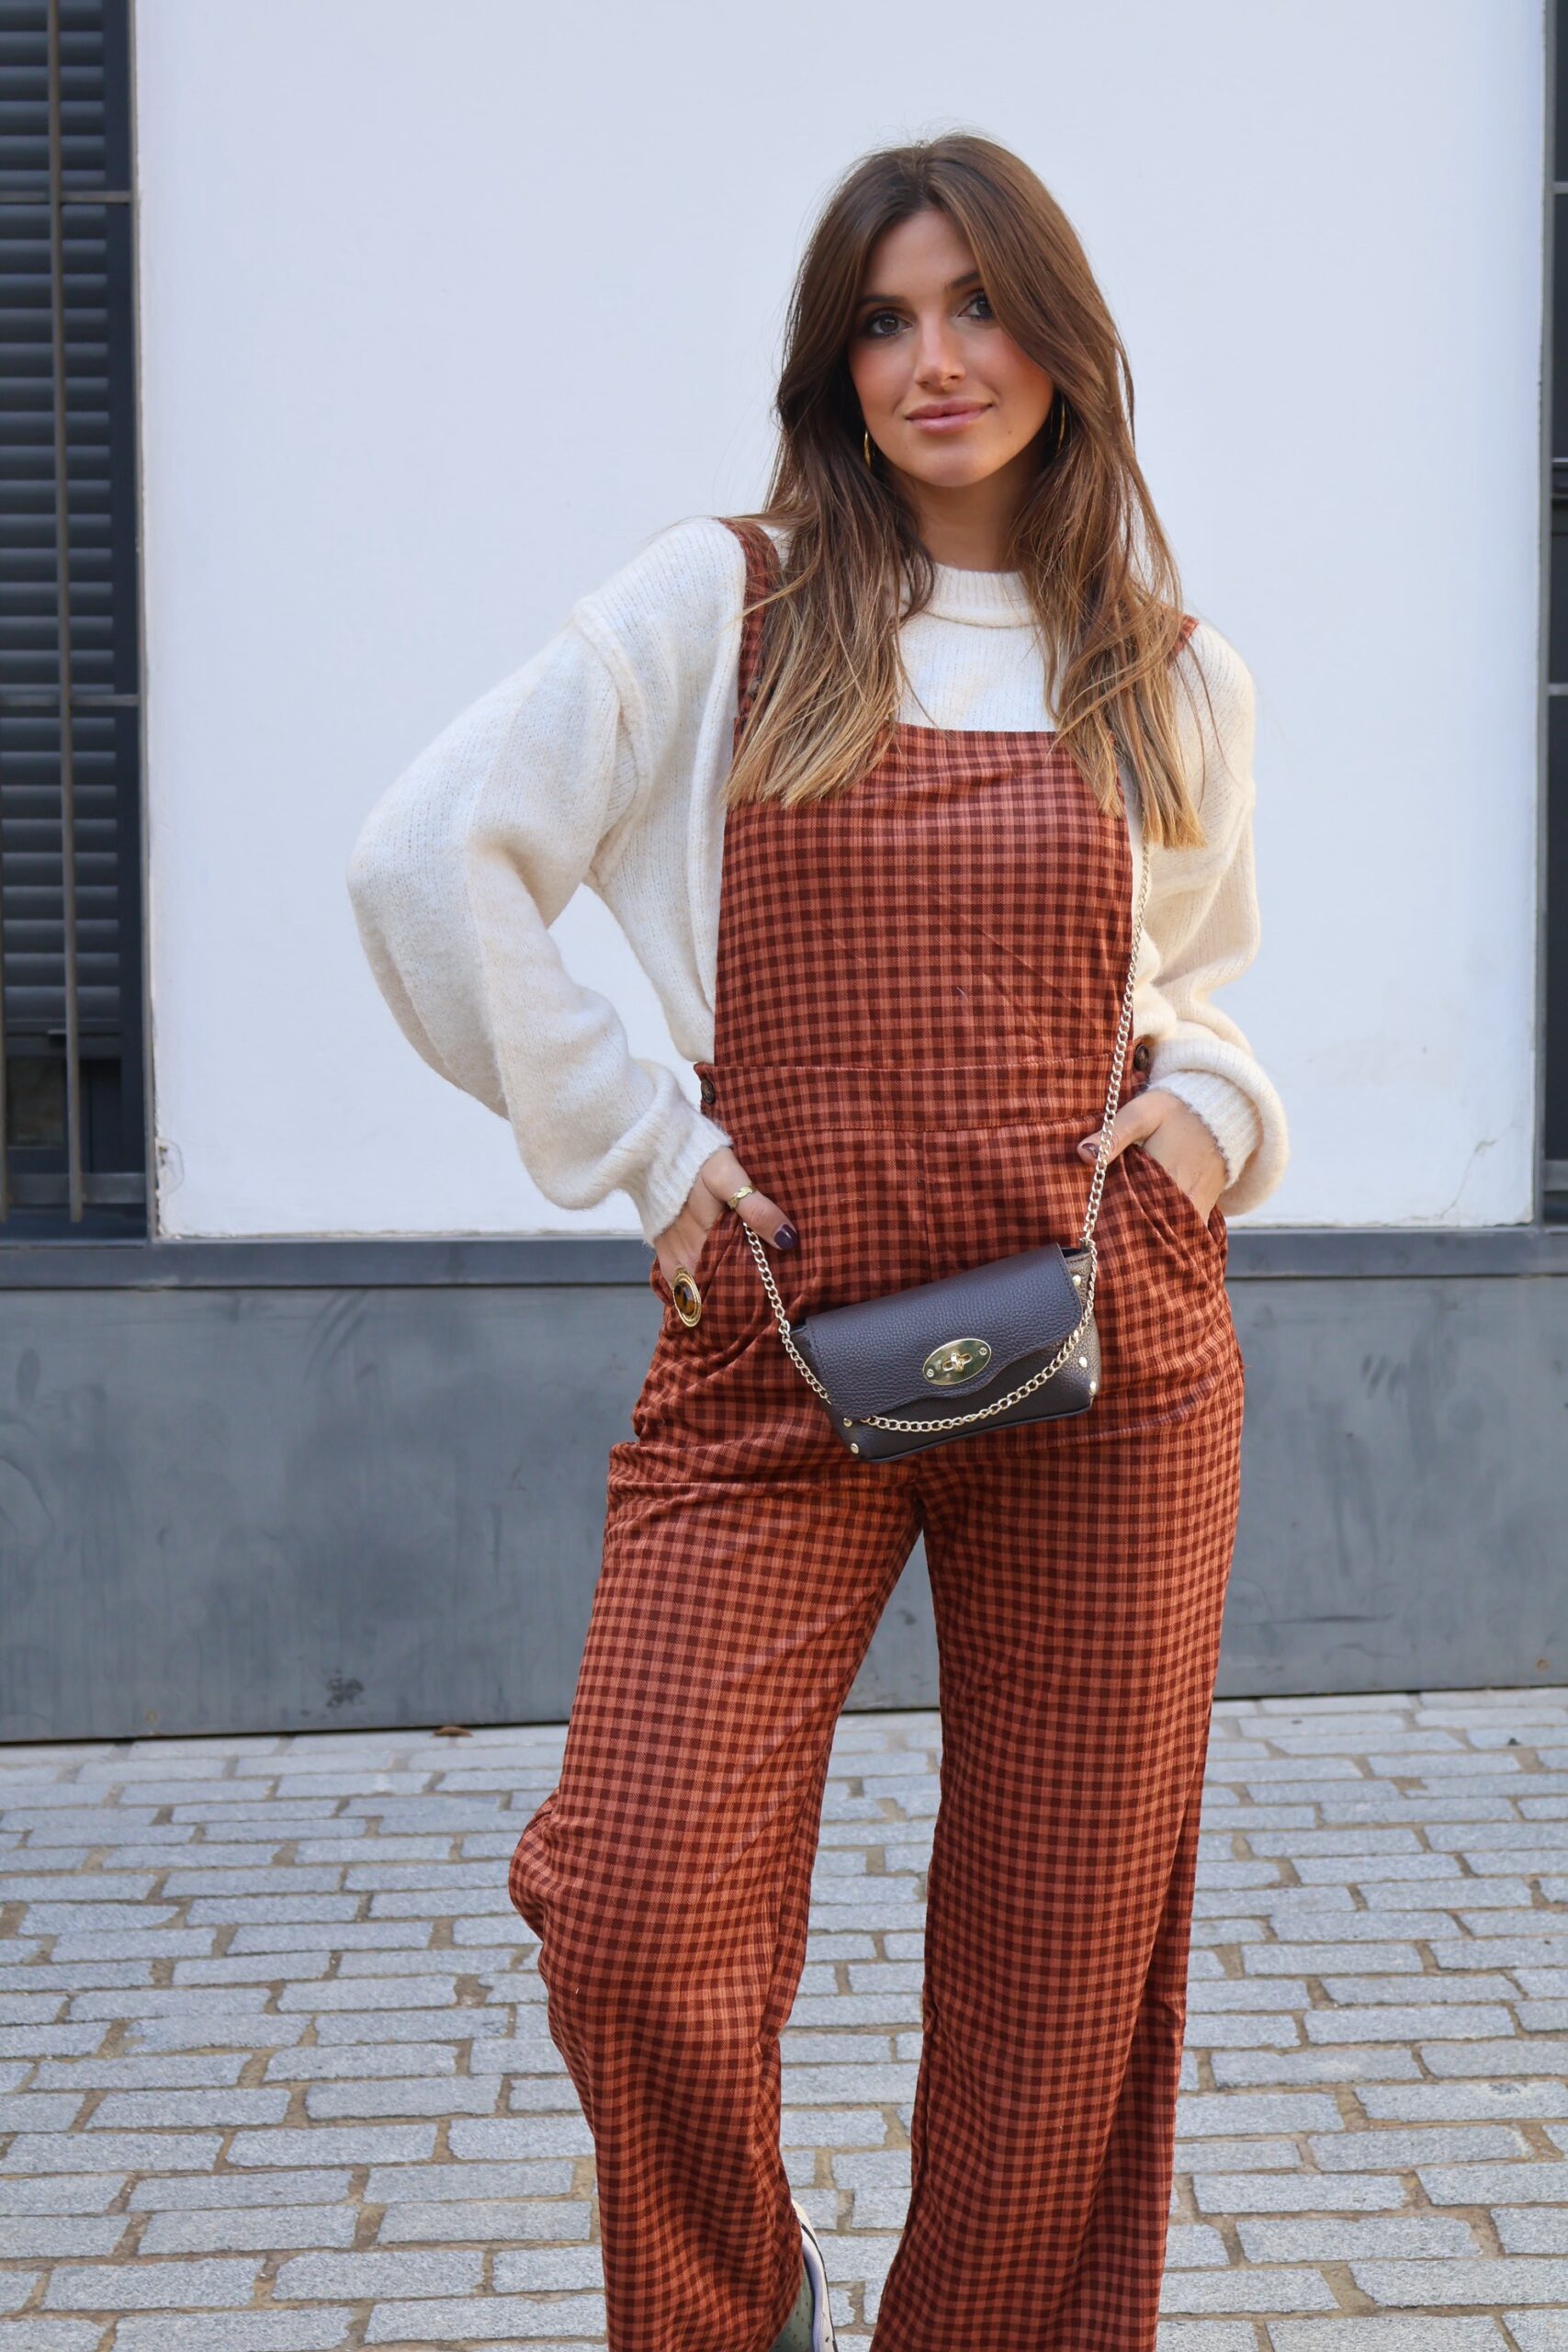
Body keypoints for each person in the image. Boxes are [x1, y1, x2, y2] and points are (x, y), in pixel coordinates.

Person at [347, 130, 1288, 2352]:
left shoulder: (1164, 668)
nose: (932, 358)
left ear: (1058, 342)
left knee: (1061, 1968)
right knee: (635, 1911)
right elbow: (428, 855)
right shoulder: (730, 605)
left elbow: (1193, 982)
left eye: (975, 306)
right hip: (770, 1347)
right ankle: (730, 2299)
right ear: (830, 363)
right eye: (882, 317)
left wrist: (1216, 1112)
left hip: (1108, 1353)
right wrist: (636, 1144)